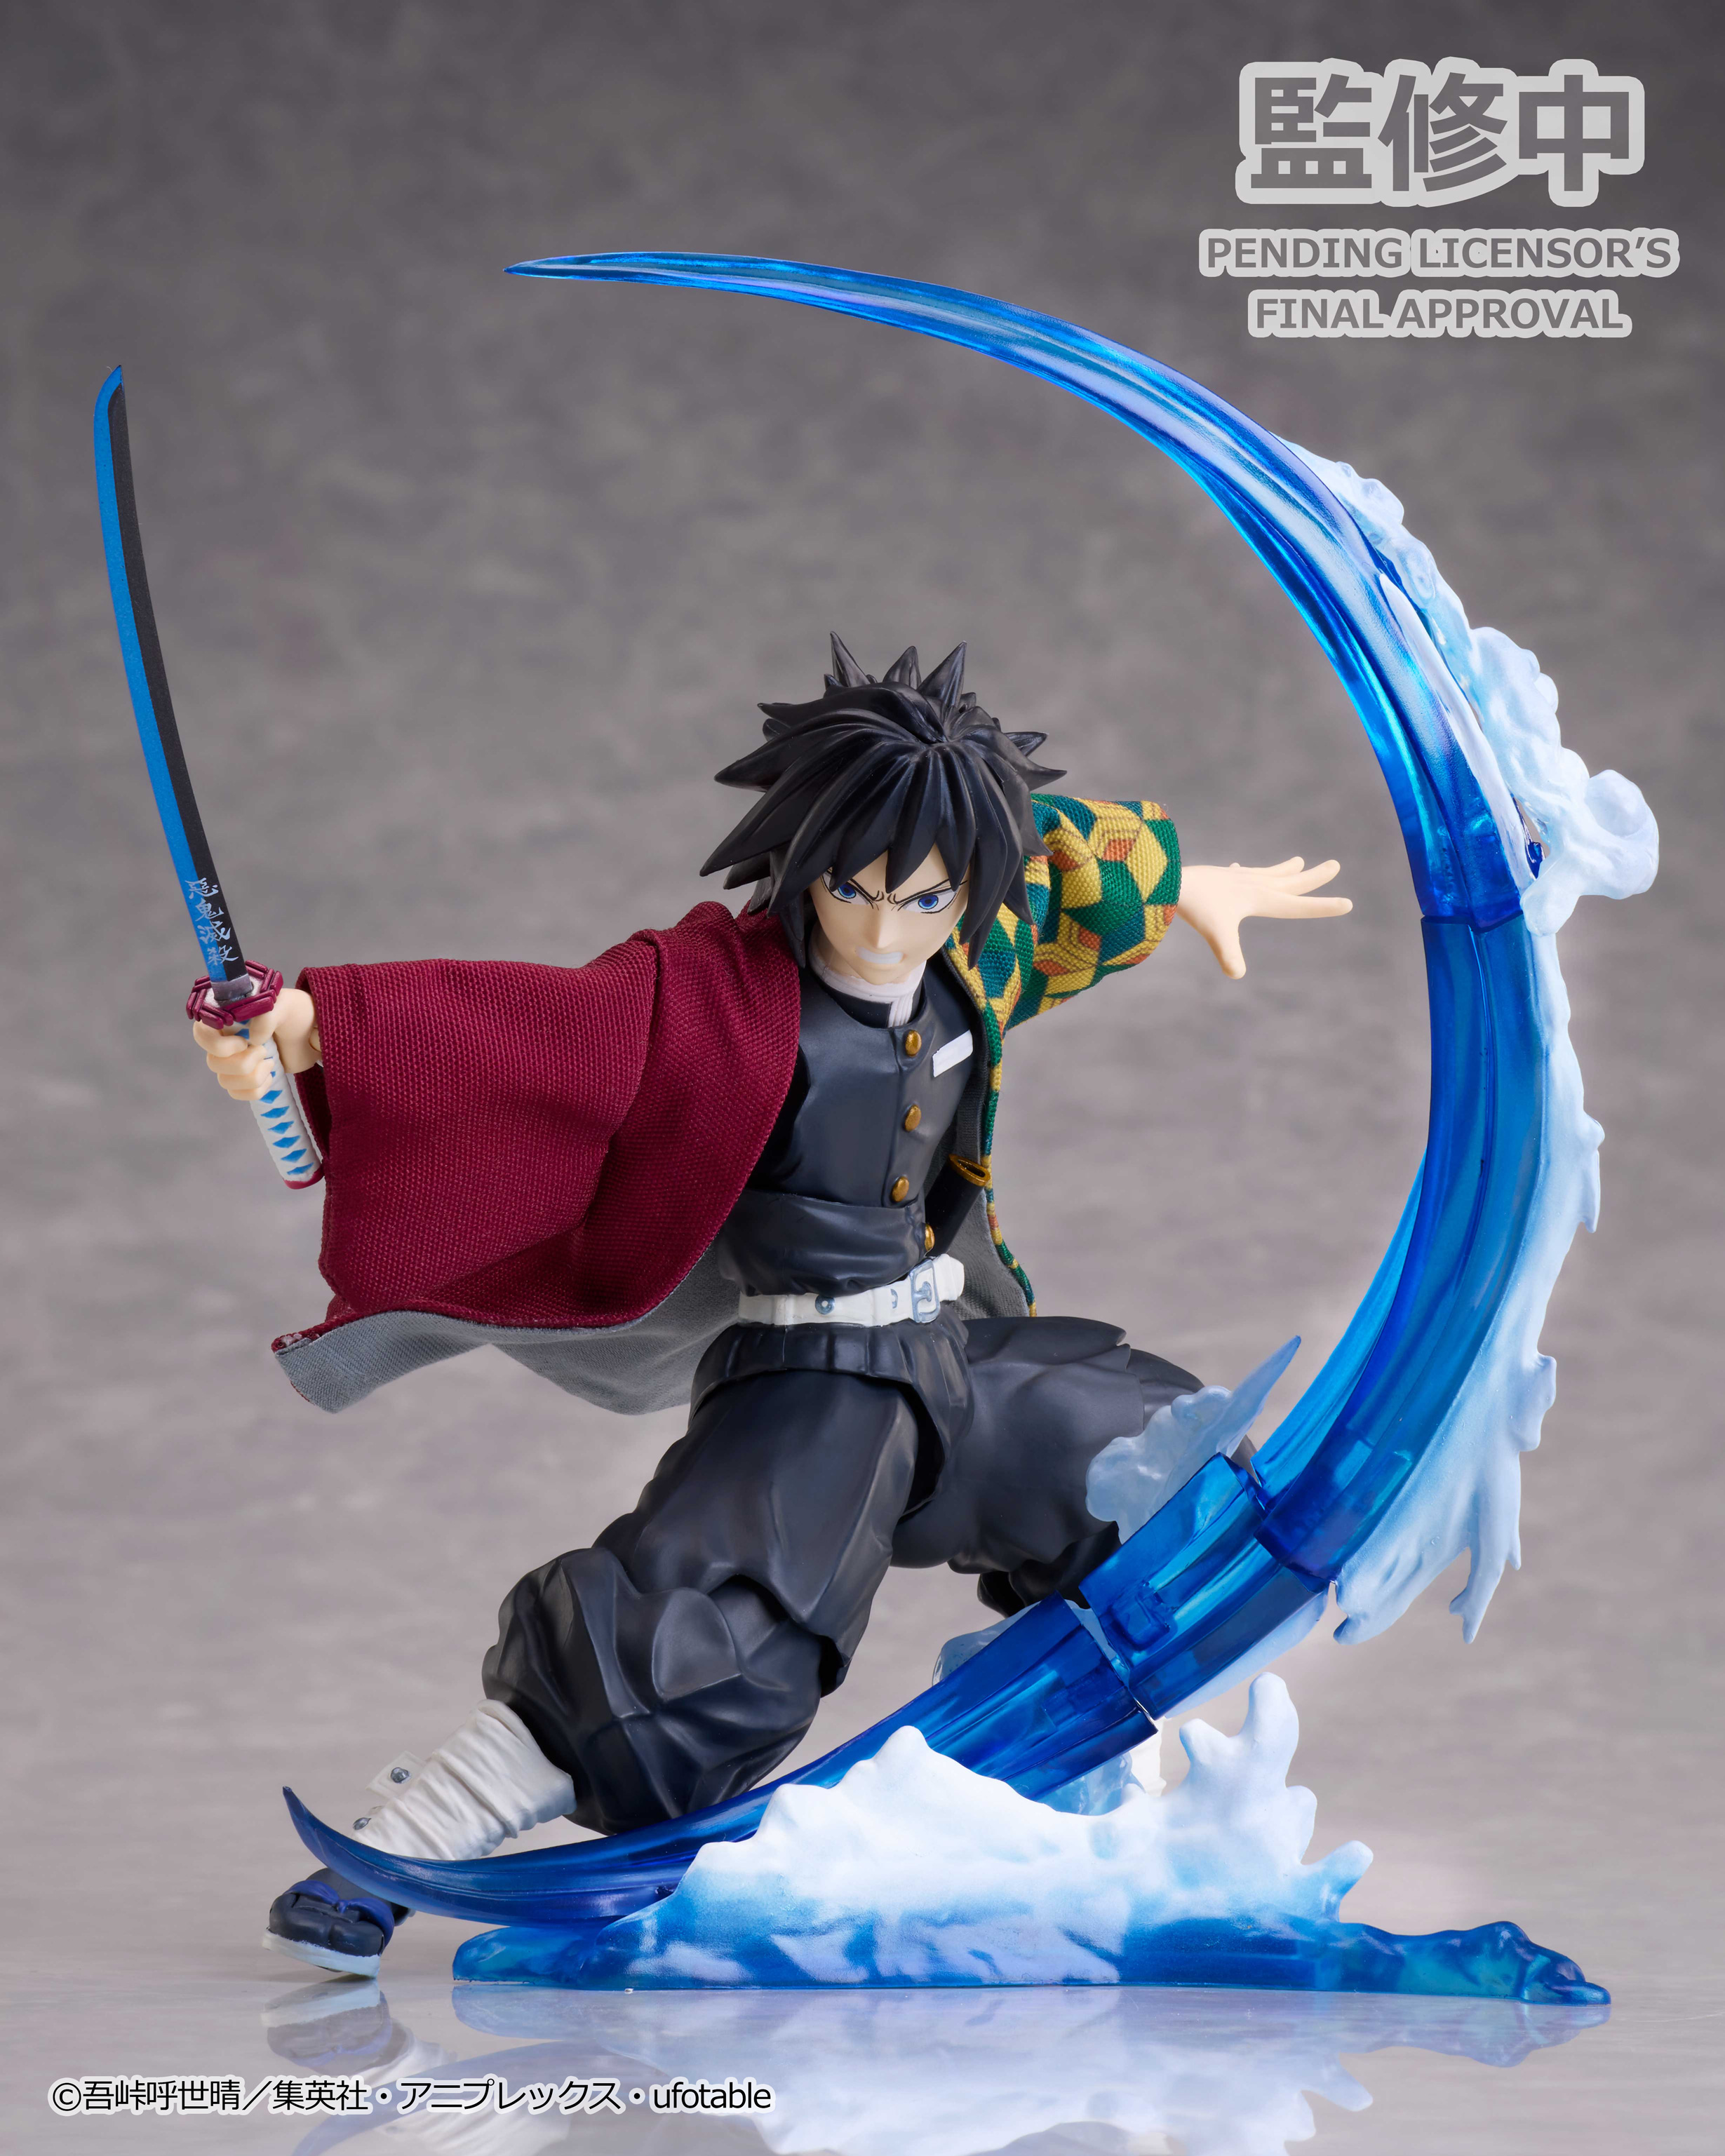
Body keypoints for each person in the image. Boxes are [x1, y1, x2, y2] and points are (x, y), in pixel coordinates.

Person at [194, 638, 1350, 1975]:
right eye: (853, 889)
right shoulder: (719, 1007)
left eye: (923, 897)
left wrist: (1196, 884)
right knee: (694, 1657)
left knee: (1153, 1468)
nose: (884, 929)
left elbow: (1072, 872)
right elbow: (533, 1031)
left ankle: (1111, 1813)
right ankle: (389, 1856)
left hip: (946, 1361)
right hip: (808, 1390)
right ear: (807, 861)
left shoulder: (975, 945)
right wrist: (310, 1027)